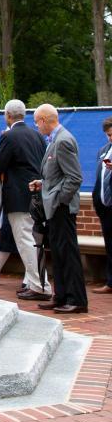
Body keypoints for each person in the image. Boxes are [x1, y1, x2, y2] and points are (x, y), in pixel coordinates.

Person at [0, 99, 52, 301]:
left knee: (26, 242)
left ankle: (40, 286)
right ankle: (38, 283)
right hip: (37, 195)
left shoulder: (8, 136)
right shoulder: (37, 135)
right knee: (34, 242)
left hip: (18, 196)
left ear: (7, 115)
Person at [30, 104, 88, 314]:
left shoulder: (63, 140)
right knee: (58, 252)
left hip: (61, 208)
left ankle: (77, 300)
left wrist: (57, 199)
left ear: (44, 120)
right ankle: (61, 296)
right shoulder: (55, 140)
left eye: (37, 122)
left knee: (67, 253)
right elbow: (58, 176)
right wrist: (43, 184)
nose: (36, 126)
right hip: (55, 207)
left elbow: (74, 178)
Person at [91, 116, 112, 294]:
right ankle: (111, 282)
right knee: (110, 244)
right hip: (105, 207)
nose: (111, 138)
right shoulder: (103, 151)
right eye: (108, 135)